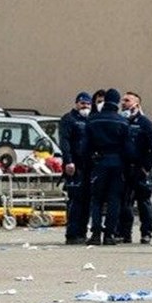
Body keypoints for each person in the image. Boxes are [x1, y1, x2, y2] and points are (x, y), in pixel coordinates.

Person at [82, 88, 131, 245]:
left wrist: (87, 162)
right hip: (117, 164)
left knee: (96, 199)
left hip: (99, 163)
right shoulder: (122, 121)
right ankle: (109, 234)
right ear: (116, 102)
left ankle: (96, 233)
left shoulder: (93, 120)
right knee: (114, 199)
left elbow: (85, 146)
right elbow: (129, 148)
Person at [117, 91, 152, 245]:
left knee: (143, 202)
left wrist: (145, 167)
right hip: (124, 168)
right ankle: (124, 233)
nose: (123, 103)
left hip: (140, 169)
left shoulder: (145, 123)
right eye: (122, 100)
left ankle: (146, 233)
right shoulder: (121, 122)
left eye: (127, 101)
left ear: (136, 104)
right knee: (124, 203)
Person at [59, 92, 92, 245]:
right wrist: (68, 161)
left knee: (86, 201)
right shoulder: (69, 119)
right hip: (74, 166)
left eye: (87, 104)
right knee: (75, 201)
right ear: (76, 103)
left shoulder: (90, 120)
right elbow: (64, 142)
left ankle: (82, 232)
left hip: (88, 166)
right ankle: (72, 234)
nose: (85, 106)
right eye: (82, 103)